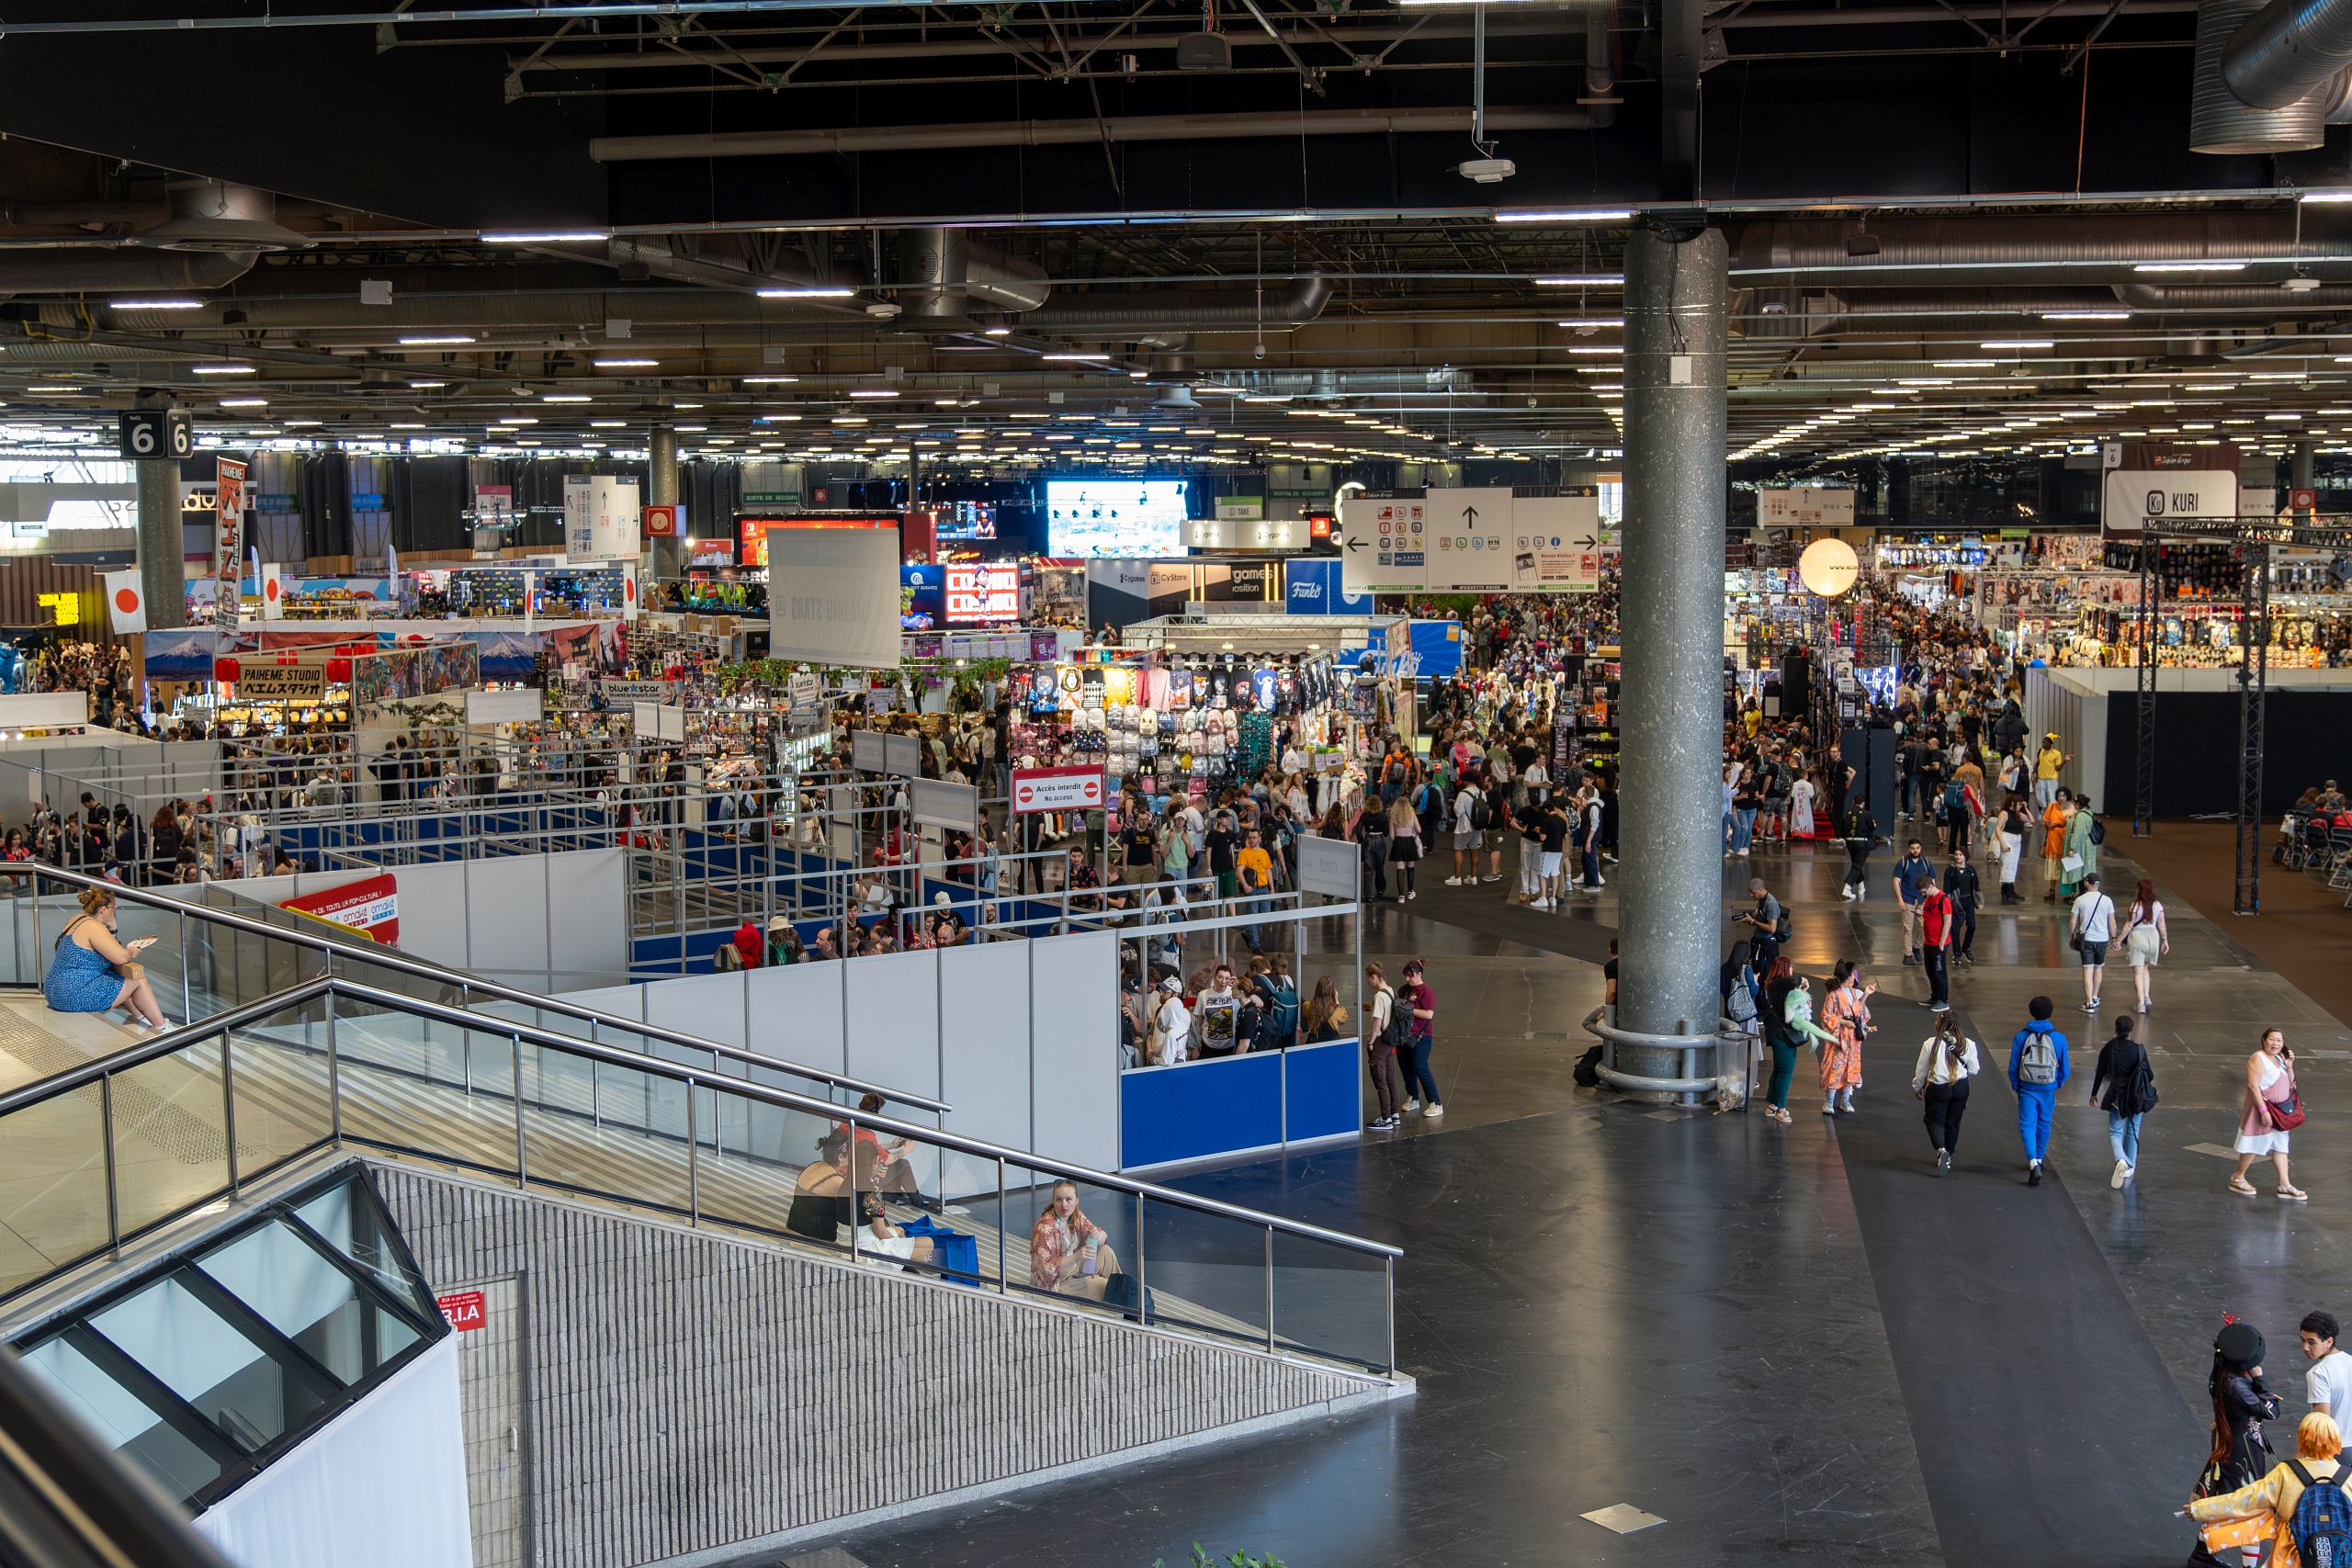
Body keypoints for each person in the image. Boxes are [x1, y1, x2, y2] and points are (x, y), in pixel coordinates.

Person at [2188, 1410, 2346, 1568]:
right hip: (2341, 1558)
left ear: (2302, 1438)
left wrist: (2200, 1509)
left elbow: (2244, 1500)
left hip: (2289, 1558)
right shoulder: (2348, 1477)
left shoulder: (2286, 1473)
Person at [2186, 1323, 2285, 1566]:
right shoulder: (2238, 1385)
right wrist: (2261, 1382)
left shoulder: (2220, 1375)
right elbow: (2271, 1412)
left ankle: (2201, 1554)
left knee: (2228, 1502)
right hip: (2243, 1452)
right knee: (2251, 1507)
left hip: (2231, 1445)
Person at [42, 886, 167, 1030]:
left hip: (55, 991)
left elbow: (107, 949)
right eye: (114, 905)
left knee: (116, 979)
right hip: (73, 994)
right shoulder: (93, 926)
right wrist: (132, 951)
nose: (116, 908)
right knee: (137, 980)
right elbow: (120, 957)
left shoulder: (78, 919)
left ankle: (141, 1018)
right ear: (103, 909)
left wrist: (112, 927)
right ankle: (162, 1027)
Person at [2232, 1027, 2307, 1201]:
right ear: (2264, 1040)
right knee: (2254, 1142)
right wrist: (2263, 1110)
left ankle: (2285, 1184)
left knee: (2280, 1146)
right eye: (2272, 1039)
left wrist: (2289, 1067)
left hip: (2279, 1111)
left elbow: (2290, 1084)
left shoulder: (2279, 1059)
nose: (2276, 1043)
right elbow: (2253, 1085)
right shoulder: (2258, 1059)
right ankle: (2238, 1177)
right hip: (2265, 1109)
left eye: (2279, 1040)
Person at [2088, 1014, 2156, 1188]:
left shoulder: (2109, 1050)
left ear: (2115, 1029)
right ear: (2131, 1031)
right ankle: (2129, 1167)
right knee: (2134, 1131)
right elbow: (2149, 1075)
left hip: (2116, 1096)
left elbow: (2100, 1074)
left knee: (2115, 1132)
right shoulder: (2139, 1050)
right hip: (2135, 1097)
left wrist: (2094, 1094)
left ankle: (2121, 1159)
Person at [1910, 1010, 1980, 1176]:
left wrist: (1917, 1087)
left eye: (1936, 1020)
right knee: (1953, 1122)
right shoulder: (1968, 1044)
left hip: (1937, 1088)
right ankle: (1948, 1153)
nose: (1934, 1022)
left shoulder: (1930, 1044)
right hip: (1961, 1088)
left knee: (1934, 1120)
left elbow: (1922, 1070)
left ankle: (1941, 1151)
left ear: (1941, 1024)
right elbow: (1975, 1070)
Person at [2008, 995, 2069, 1186]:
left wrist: (2017, 1085)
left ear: (2031, 1012)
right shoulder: (2059, 1038)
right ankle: (2040, 1160)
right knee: (2044, 1123)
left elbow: (2013, 1067)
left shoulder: (2021, 1036)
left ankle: (2033, 1160)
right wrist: (2056, 1083)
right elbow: (2065, 1069)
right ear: (2050, 1012)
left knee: (2027, 1124)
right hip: (2048, 1088)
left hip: (2026, 1086)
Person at [1028, 1180, 1121, 1302]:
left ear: (1077, 1200)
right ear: (1054, 1201)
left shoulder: (1075, 1216)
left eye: (1068, 1199)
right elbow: (1046, 1269)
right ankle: (1122, 1299)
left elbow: (1102, 1236)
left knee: (1105, 1252)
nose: (1064, 1205)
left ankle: (1125, 1289)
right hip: (1055, 1283)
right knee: (1105, 1287)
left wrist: (1097, 1235)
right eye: (1059, 1199)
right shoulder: (1046, 1227)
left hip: (1073, 1267)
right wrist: (1077, 1256)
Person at [1819, 958, 1874, 1115]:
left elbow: (1859, 1011)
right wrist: (1843, 1021)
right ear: (1848, 976)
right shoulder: (1834, 995)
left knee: (1851, 1068)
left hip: (1853, 1038)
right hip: (1840, 1038)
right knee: (1836, 1068)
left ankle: (1845, 1100)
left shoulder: (1852, 992)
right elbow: (1826, 1016)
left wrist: (1866, 995)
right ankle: (1829, 1101)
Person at [2117, 877, 2171, 1012]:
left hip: (2137, 937)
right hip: (2153, 937)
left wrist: (2118, 941)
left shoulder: (2135, 906)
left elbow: (2128, 926)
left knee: (2138, 972)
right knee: (2146, 968)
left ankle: (2140, 1004)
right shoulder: (2158, 906)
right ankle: (2146, 996)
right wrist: (2165, 941)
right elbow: (2162, 925)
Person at [1397, 958, 1442, 1118]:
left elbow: (1429, 1014)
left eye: (1410, 975)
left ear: (1419, 974)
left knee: (1420, 1066)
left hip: (1422, 1037)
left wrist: (1409, 1010)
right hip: (1405, 1035)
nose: (1407, 979)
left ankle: (1435, 1102)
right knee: (1405, 1066)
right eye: (1406, 976)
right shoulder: (1405, 990)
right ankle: (1413, 1096)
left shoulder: (1426, 991)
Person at [1362, 961, 1404, 1130]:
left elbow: (1377, 1022)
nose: (1369, 983)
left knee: (1380, 1081)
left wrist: (1370, 1042)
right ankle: (1394, 1113)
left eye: (1368, 980)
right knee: (1390, 1079)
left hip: (1380, 1041)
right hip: (1390, 1040)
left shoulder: (1379, 995)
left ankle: (1385, 1118)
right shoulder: (1392, 991)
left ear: (1374, 977)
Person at [1758, 957, 1801, 1124]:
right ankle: (1781, 1110)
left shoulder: (1772, 987)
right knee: (1785, 1072)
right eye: (1791, 966)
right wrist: (1800, 981)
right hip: (1784, 1036)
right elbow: (1793, 981)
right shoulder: (1780, 986)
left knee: (1778, 1070)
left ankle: (1773, 1105)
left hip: (1775, 1034)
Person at [2070, 871, 2116, 1013]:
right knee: (2098, 968)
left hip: (2086, 939)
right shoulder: (2107, 900)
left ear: (2087, 883)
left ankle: (2089, 1002)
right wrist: (2114, 938)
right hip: (2102, 939)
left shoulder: (2080, 900)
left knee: (2087, 970)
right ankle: (2095, 996)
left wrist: (2071, 936)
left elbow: (2073, 921)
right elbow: (2112, 922)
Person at [1917, 874, 1955, 1012]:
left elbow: (1948, 922)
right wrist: (1920, 913)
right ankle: (1935, 996)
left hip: (1939, 942)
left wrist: (1941, 943)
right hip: (1928, 941)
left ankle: (1943, 1000)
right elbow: (1929, 915)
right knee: (1930, 970)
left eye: (1924, 891)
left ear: (1931, 886)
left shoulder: (1943, 899)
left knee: (1939, 972)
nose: (1923, 894)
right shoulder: (1928, 899)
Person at [2304, 1314, 2352, 1421]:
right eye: (2303, 1340)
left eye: (2312, 1342)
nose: (2305, 1347)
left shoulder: (2317, 1373)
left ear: (2329, 1342)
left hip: (2334, 1438)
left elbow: (2322, 1425)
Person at [1894, 838, 1932, 965]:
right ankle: (1908, 954)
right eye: (1912, 848)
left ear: (1921, 848)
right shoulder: (1903, 862)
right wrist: (1900, 899)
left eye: (1917, 848)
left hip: (1923, 899)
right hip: (1908, 898)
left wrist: (1931, 897)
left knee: (1923, 925)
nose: (1915, 851)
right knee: (1908, 928)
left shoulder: (1926, 862)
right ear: (1909, 849)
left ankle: (1917, 947)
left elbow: (1931, 881)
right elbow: (1896, 881)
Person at [1734, 877, 1785, 968]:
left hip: (1768, 946)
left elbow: (1772, 928)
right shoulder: (1762, 901)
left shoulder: (1771, 904)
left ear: (1760, 889)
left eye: (1753, 892)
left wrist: (1753, 922)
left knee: (1765, 972)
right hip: (1760, 942)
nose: (1751, 895)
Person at [1385, 795, 1423, 902]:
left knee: (1400, 870)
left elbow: (1391, 835)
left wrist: (1395, 841)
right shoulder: (1412, 815)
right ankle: (1410, 892)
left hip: (1399, 842)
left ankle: (1401, 896)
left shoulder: (1394, 816)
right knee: (1410, 868)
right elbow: (1419, 830)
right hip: (1410, 842)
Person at [1148, 975, 1192, 1066]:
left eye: (1165, 992)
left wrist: (1154, 1052)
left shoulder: (1183, 1014)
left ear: (1175, 995)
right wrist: (1150, 1050)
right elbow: (1151, 1034)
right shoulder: (1160, 1010)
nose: (1161, 993)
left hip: (1168, 1061)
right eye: (1161, 990)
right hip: (1156, 1059)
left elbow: (1177, 1040)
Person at [1447, 775, 1483, 886]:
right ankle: (1473, 876)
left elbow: (1458, 811)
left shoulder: (1463, 794)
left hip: (1464, 826)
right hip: (1477, 825)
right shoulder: (1482, 793)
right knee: (1474, 848)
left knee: (1458, 849)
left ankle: (1457, 877)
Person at [1996, 793, 2030, 904]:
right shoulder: (2004, 813)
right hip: (2007, 838)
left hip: (2017, 840)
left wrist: (2025, 808)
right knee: (2007, 864)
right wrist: (2003, 844)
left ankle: (2008, 890)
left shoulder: (2018, 815)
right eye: (2019, 803)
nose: (2020, 805)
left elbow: (2031, 819)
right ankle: (2007, 889)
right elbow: (1998, 829)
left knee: (2013, 865)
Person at [2041, 786, 2072, 904]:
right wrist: (2048, 823)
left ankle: (2066, 892)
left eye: (2063, 795)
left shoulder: (2071, 808)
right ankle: (2052, 889)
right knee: (2053, 865)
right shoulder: (2051, 806)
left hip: (2065, 838)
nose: (2061, 798)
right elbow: (2045, 820)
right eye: (2059, 795)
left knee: (2065, 866)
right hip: (2053, 837)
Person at [1841, 800, 1876, 902]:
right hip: (1861, 842)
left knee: (1856, 863)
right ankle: (1847, 887)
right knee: (1858, 865)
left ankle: (1861, 886)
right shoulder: (1865, 814)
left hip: (1849, 842)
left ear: (1853, 802)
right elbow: (1872, 826)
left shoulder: (1846, 813)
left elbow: (1842, 827)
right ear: (1863, 803)